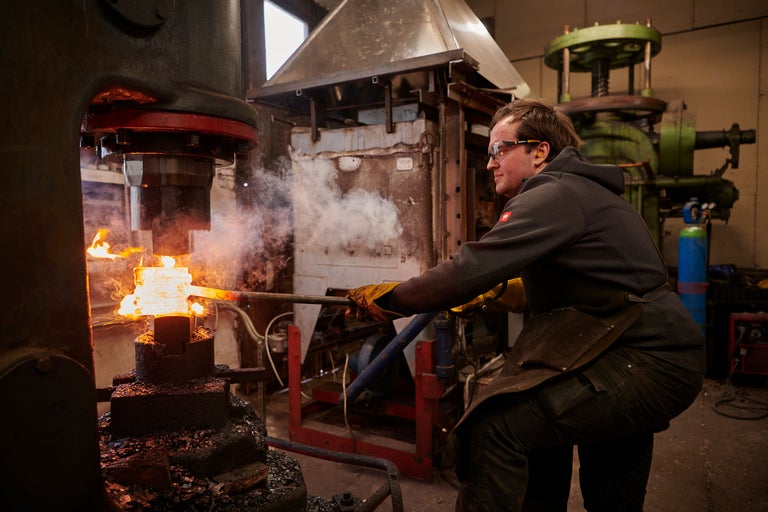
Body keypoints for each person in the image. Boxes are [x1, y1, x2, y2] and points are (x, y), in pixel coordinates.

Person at [346, 98, 705, 512]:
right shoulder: (577, 191)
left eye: (500, 149)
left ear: (539, 152)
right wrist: (502, 292)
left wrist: (391, 299)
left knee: (494, 425)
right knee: (608, 488)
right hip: (636, 348)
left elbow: (469, 267)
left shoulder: (553, 192)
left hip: (644, 360)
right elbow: (586, 281)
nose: (490, 163)